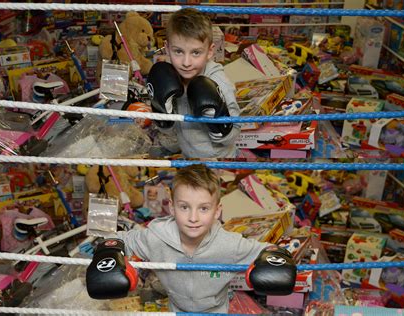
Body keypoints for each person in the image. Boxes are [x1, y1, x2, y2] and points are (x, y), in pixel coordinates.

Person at [86, 164, 296, 313]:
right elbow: (119, 239)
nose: (193, 218)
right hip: (176, 311)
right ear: (172, 205)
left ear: (217, 211)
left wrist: (275, 258)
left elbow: (267, 251)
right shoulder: (156, 237)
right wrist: (108, 252)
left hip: (217, 312)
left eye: (203, 208)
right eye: (184, 207)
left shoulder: (230, 244)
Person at [146, 8, 241, 158]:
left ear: (210, 51)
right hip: (188, 157)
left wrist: (218, 124)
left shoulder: (218, 82)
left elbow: (235, 132)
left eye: (196, 52)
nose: (186, 63)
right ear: (167, 47)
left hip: (219, 161)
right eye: (178, 51)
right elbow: (170, 132)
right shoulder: (170, 78)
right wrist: (162, 115)